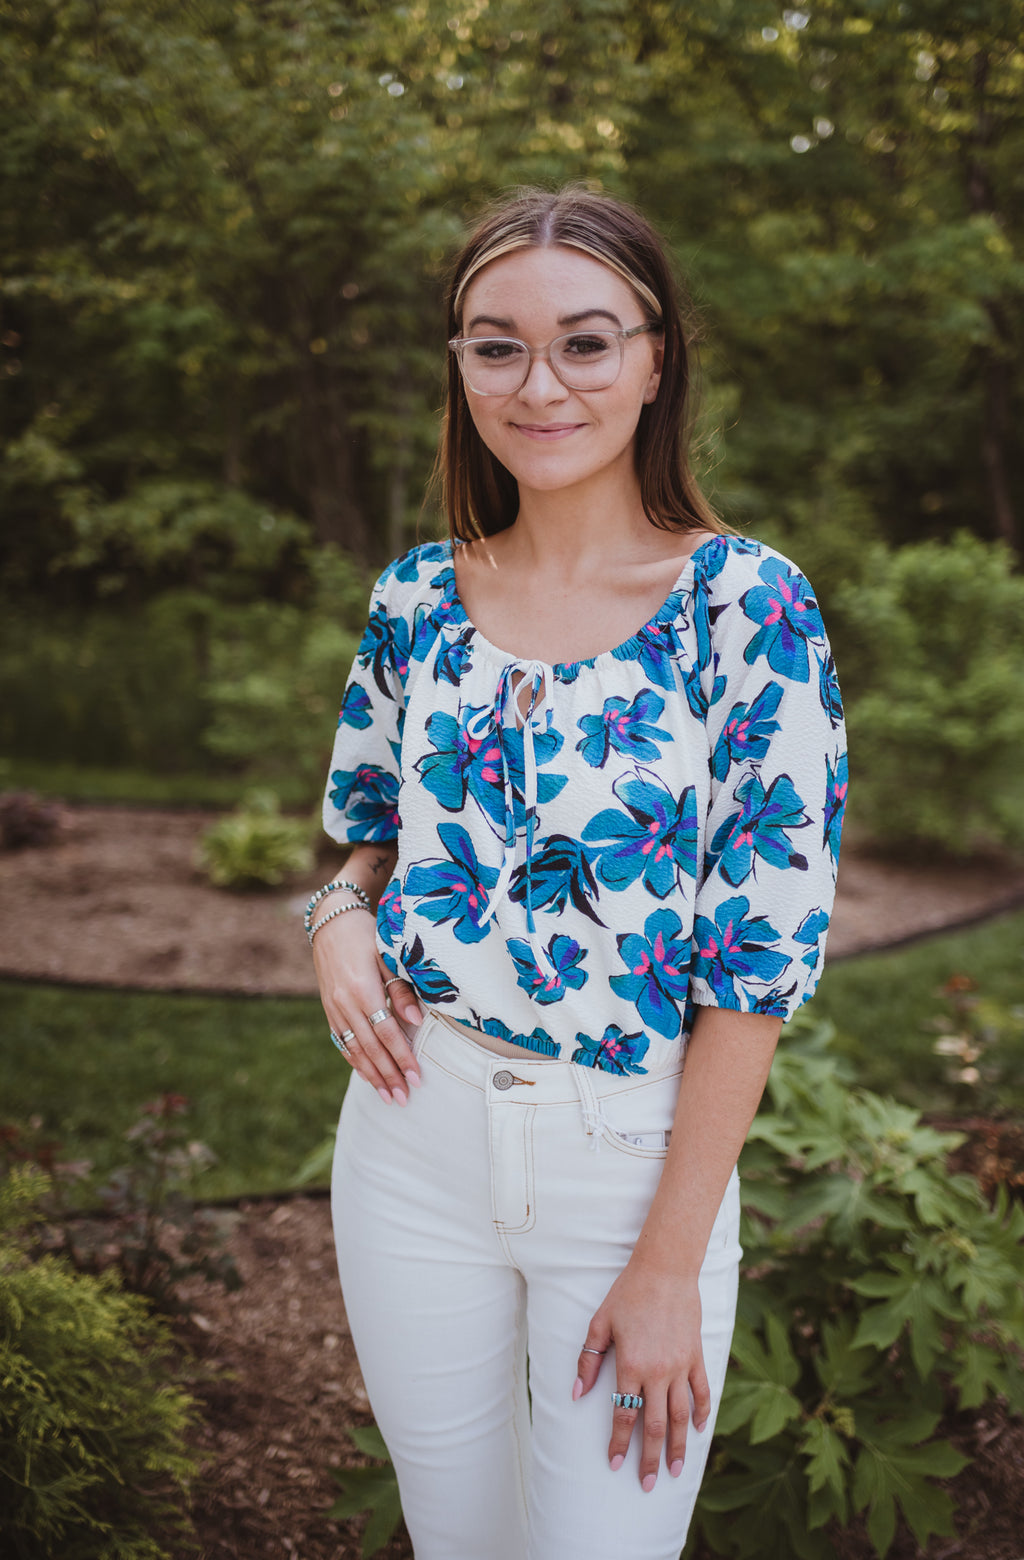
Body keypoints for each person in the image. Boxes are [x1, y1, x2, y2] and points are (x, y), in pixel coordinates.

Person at [310, 186, 847, 1560]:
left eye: (586, 344)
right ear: (460, 365)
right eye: (497, 346)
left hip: (632, 1163)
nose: (538, 383)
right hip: (409, 1143)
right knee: (457, 1542)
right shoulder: (419, 598)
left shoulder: (748, 608)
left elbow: (759, 956)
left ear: (656, 360)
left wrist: (670, 1260)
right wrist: (330, 921)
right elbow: (364, 829)